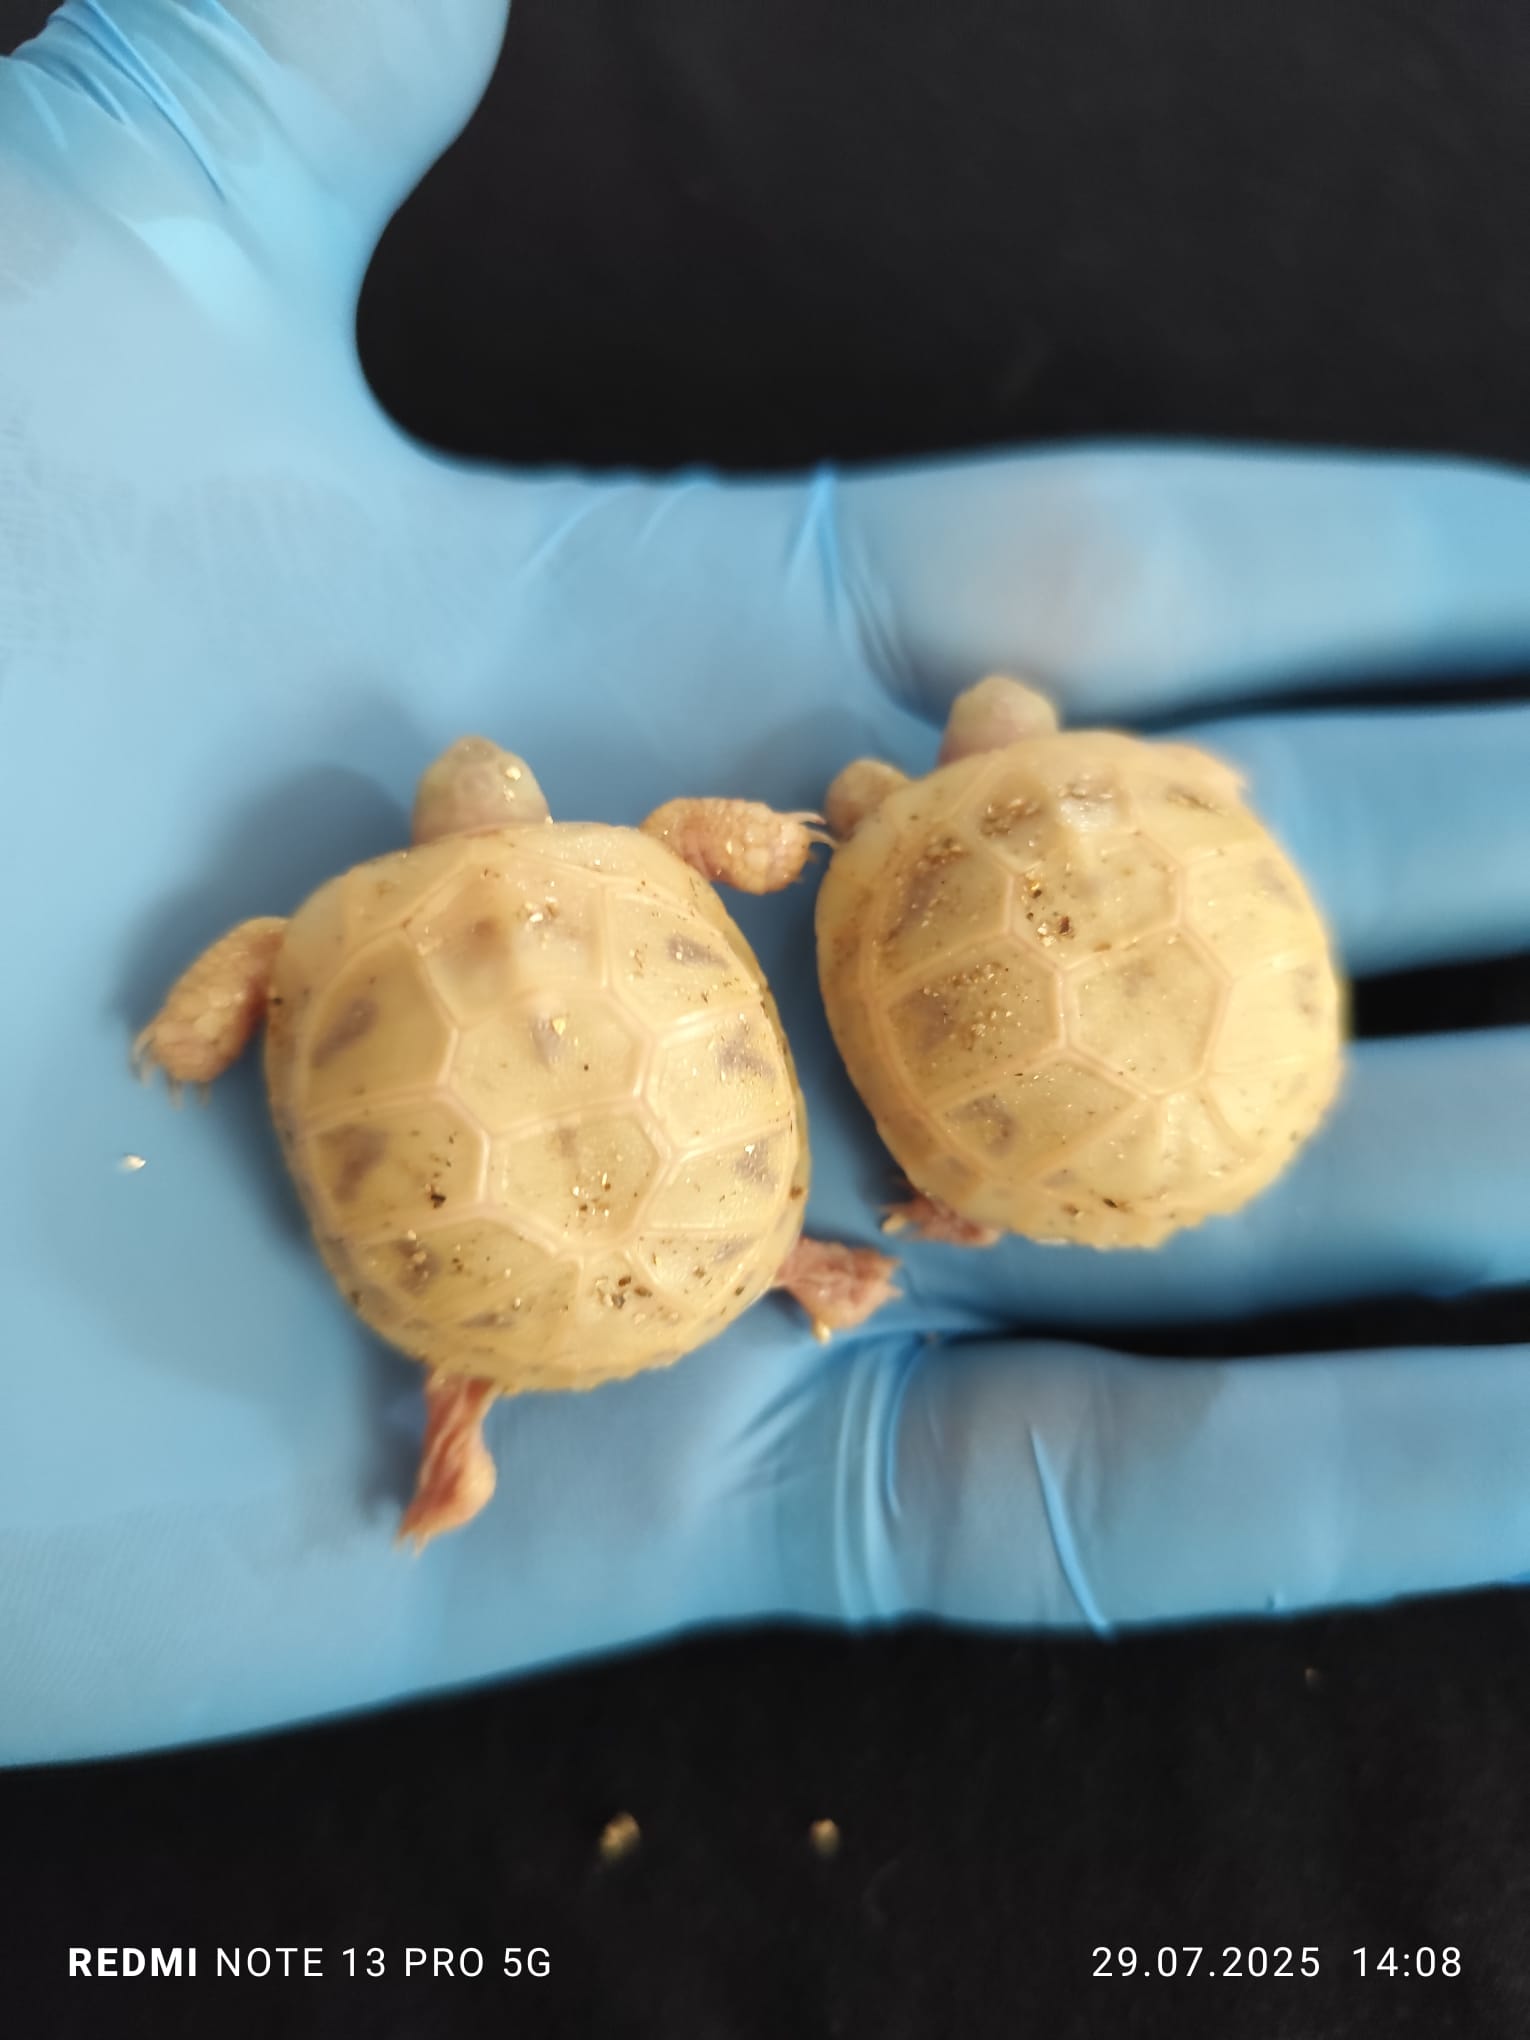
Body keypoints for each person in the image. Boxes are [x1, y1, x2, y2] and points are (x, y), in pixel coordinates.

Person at [3, 0, 1529, 1767]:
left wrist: (187, 1037)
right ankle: (792, 1264)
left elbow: (283, 969)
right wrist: (827, 834)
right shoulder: (711, 835)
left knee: (592, 1263)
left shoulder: (368, 921)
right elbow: (783, 827)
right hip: (852, 1095)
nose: (474, 778)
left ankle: (517, 1388)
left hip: (656, 1183)